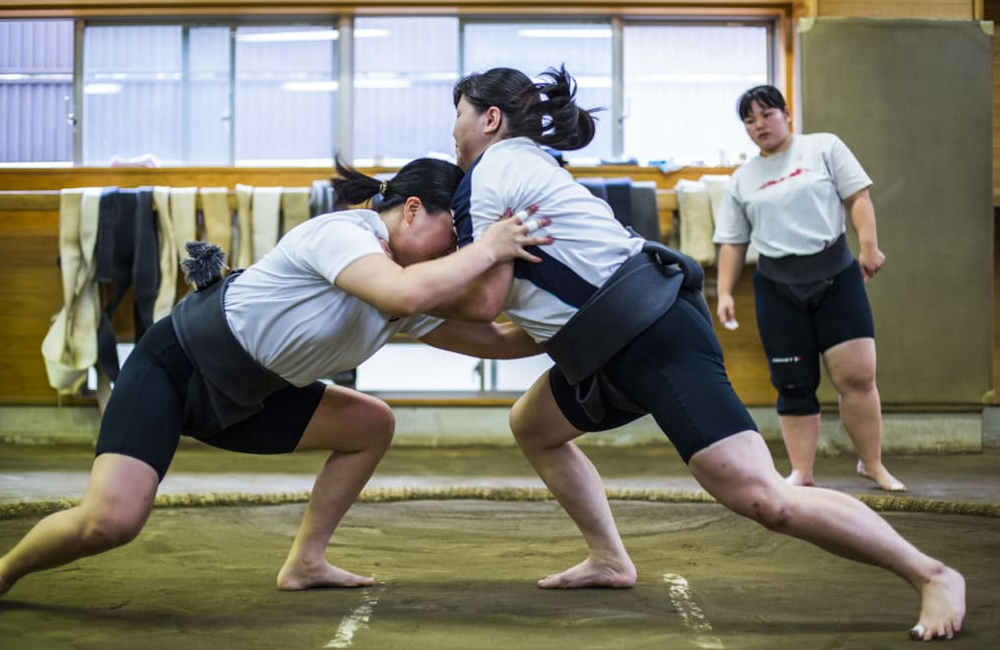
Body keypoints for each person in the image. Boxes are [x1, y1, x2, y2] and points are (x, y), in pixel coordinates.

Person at [443, 65, 964, 641]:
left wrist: (398, 295)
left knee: (765, 499)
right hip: (608, 342)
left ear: (489, 119)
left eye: (458, 114)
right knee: (533, 424)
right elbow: (508, 327)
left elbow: (485, 299)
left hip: (649, 330)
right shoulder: (527, 164)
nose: (453, 129)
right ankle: (610, 560)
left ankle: (932, 573)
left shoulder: (493, 169)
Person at [0, 157, 551, 599]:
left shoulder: (412, 282)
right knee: (109, 523)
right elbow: (403, 294)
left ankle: (307, 562)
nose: (458, 253)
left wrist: (578, 327)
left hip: (252, 397)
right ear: (411, 210)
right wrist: (490, 248)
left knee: (369, 424)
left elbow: (497, 340)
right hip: (176, 367)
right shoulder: (345, 233)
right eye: (455, 236)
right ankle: (7, 570)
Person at [713, 84, 906, 493]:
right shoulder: (742, 179)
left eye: (766, 114)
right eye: (749, 120)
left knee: (857, 377)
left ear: (786, 114)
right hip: (778, 288)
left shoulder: (823, 148)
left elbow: (858, 197)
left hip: (836, 277)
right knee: (793, 384)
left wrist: (869, 246)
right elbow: (733, 240)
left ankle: (872, 464)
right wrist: (725, 292)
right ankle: (802, 472)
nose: (759, 125)